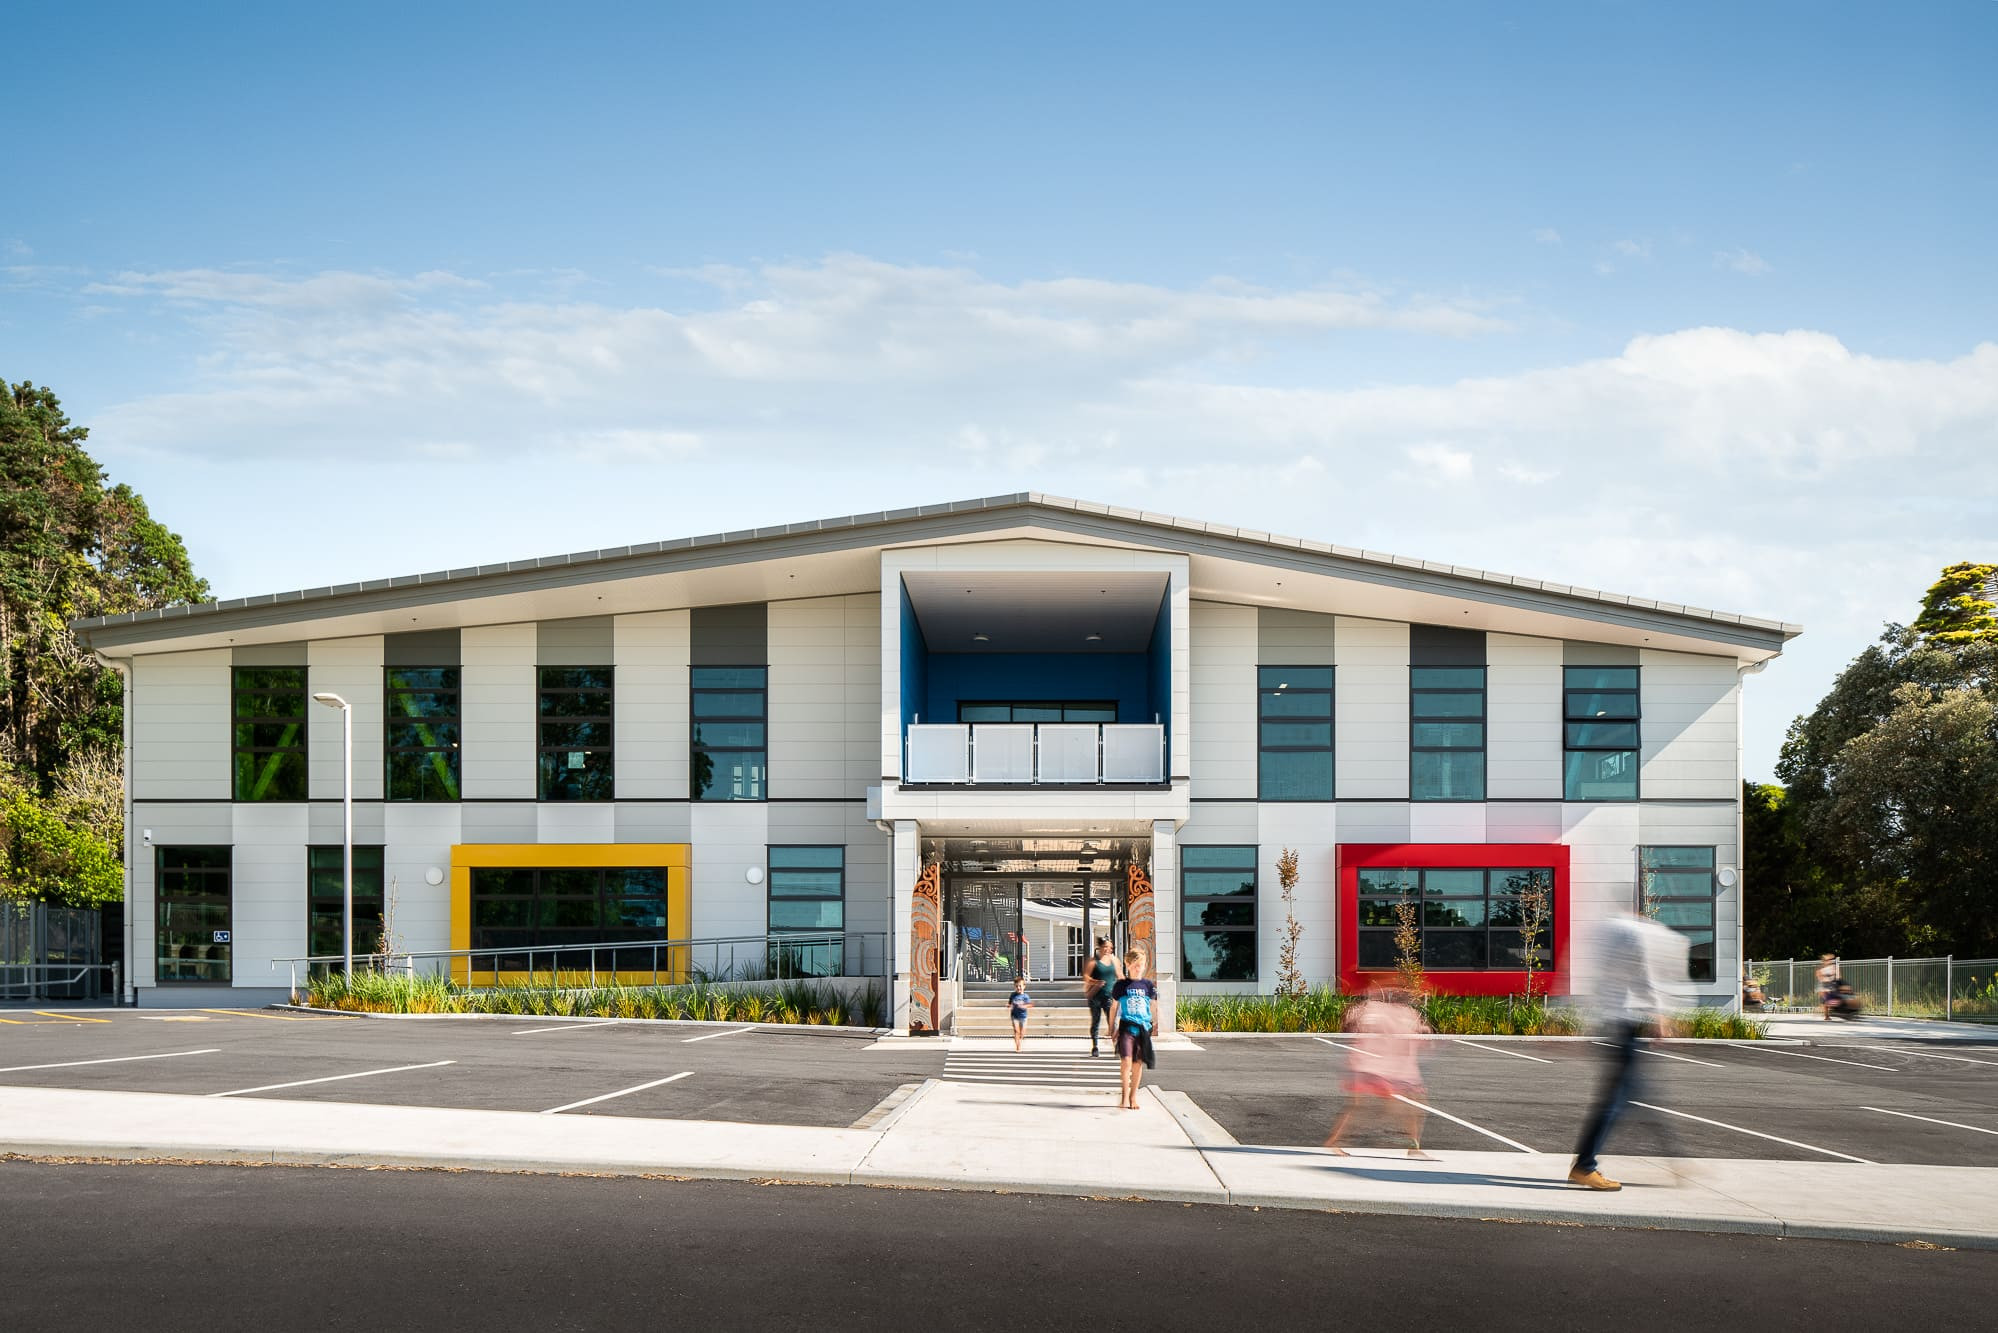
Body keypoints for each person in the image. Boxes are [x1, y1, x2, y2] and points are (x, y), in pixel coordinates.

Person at [1570, 911, 1690, 1191]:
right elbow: (1643, 975)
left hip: (1614, 1022)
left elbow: (1595, 977)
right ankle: (1585, 1165)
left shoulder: (1607, 931)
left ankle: (1677, 1159)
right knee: (1617, 1101)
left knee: (1633, 1097)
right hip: (1626, 1025)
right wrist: (1660, 1014)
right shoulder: (1633, 934)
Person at [1323, 986, 1431, 1159]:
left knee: (1412, 1105)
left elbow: (1348, 1026)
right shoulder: (1387, 1012)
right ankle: (1334, 1142)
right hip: (1377, 1068)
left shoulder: (1397, 1012)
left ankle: (1413, 1147)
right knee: (1360, 1107)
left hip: (1392, 1069)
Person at [1108, 949, 1158, 1110]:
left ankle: (1133, 1097)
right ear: (1128, 965)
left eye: (1141, 965)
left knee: (1137, 1064)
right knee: (1126, 1061)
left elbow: (1153, 1006)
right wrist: (1111, 1028)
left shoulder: (1148, 985)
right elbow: (1113, 1007)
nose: (1138, 968)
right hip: (1126, 1027)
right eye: (1135, 965)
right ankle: (1124, 1097)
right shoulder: (1121, 986)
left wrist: (1155, 1023)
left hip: (1143, 1029)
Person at [1083, 937, 1125, 1057]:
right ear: (1100, 947)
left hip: (1109, 996)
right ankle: (1095, 1046)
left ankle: (1116, 1046)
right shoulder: (1093, 961)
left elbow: (1120, 974)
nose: (1108, 949)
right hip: (1095, 996)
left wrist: (1128, 985)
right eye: (1106, 946)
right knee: (1095, 1022)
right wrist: (1095, 981)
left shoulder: (1114, 960)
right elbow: (1086, 977)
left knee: (1112, 1022)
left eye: (1110, 947)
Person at [1008, 975, 1033, 1051]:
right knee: (1016, 1031)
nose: (1018, 988)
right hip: (1014, 1015)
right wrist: (1009, 1006)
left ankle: (1020, 1039)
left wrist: (1024, 1006)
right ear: (1014, 987)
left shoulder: (1025, 996)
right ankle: (1018, 1046)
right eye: (1016, 986)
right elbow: (1010, 1003)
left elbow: (1030, 1005)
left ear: (1024, 986)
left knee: (1022, 1032)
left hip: (1023, 1016)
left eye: (1020, 986)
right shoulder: (1013, 995)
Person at [1817, 954, 1842, 1021]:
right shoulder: (1821, 969)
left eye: (1829, 960)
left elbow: (1838, 976)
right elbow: (1820, 978)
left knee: (1834, 1000)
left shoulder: (1833, 967)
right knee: (1825, 1002)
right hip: (1824, 986)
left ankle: (1832, 1012)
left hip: (1832, 985)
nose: (1827, 961)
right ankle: (1826, 1016)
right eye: (1825, 960)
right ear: (1823, 961)